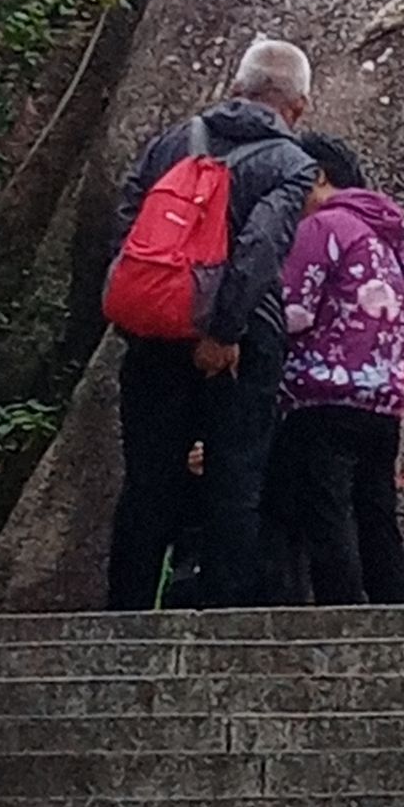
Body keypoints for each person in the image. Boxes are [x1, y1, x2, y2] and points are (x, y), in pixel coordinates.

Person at [106, 37, 318, 611]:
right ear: (296, 106)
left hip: (153, 335)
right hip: (241, 343)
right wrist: (223, 333)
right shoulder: (292, 163)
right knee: (234, 482)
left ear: (237, 88)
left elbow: (128, 227)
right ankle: (224, 625)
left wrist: (147, 316)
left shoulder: (173, 142)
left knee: (147, 481)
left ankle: (122, 620)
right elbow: (259, 249)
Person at [262, 132, 404, 606]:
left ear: (318, 175)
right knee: (376, 515)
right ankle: (400, 611)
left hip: (323, 396)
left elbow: (293, 311)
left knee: (326, 515)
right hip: (383, 400)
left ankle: (341, 616)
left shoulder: (324, 228)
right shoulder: (393, 241)